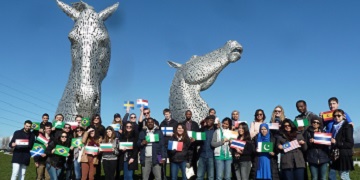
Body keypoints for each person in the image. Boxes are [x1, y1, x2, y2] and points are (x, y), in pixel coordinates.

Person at [329, 109, 354, 180]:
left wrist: (336, 142)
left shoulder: (348, 126)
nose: (337, 117)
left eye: (339, 115)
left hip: (344, 155)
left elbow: (350, 144)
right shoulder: (334, 127)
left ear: (343, 116)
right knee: (335, 175)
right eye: (335, 116)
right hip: (336, 155)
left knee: (344, 176)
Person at [159, 108, 178, 179]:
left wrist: (174, 134)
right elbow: (160, 133)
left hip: (172, 143)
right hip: (164, 144)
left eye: (167, 114)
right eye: (165, 114)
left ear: (170, 113)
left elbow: (178, 132)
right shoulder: (162, 123)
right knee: (163, 161)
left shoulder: (175, 122)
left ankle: (172, 177)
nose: (166, 115)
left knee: (172, 161)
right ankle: (163, 177)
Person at [181, 110, 200, 177]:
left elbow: (197, 134)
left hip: (193, 146)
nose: (188, 115)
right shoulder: (182, 123)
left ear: (191, 115)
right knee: (185, 163)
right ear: (185, 115)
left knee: (193, 163)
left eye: (189, 114)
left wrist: (195, 139)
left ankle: (194, 177)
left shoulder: (195, 124)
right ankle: (186, 177)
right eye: (187, 114)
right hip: (185, 147)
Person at [196, 115, 216, 180]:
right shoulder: (202, 130)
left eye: (211, 120)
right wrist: (194, 140)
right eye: (207, 120)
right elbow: (198, 142)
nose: (208, 121)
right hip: (202, 155)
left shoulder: (216, 130)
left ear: (213, 121)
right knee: (199, 176)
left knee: (211, 176)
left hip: (211, 156)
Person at [90, 114, 105, 179]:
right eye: (95, 118)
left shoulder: (102, 127)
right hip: (90, 146)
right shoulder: (90, 127)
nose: (96, 119)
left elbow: (104, 137)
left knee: (97, 163)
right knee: (90, 162)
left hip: (98, 146)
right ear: (92, 119)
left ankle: (98, 177)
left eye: (97, 118)